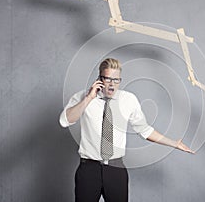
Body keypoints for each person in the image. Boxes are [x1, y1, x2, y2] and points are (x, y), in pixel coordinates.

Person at [59, 58, 194, 202]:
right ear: (99, 79)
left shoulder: (128, 100)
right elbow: (65, 121)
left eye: (116, 80)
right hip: (88, 169)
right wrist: (88, 98)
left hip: (116, 170)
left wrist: (174, 143)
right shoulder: (81, 97)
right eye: (108, 79)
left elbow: (145, 130)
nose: (112, 84)